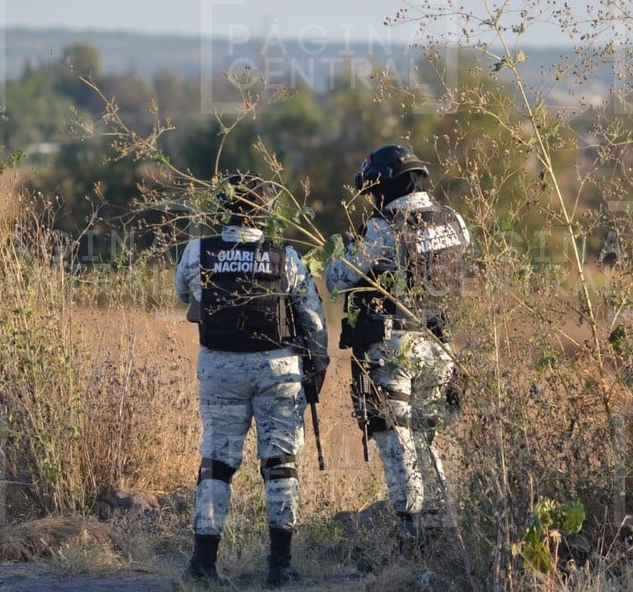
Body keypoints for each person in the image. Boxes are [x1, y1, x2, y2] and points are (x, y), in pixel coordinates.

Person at [175, 172, 329, 587]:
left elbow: (185, 298)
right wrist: (318, 368)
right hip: (278, 370)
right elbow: (313, 321)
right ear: (266, 211)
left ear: (221, 208)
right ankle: (280, 566)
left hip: (219, 368)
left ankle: (202, 565)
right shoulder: (286, 256)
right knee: (279, 464)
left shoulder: (196, 251)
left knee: (216, 463)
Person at [324, 144, 470, 543]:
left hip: (394, 347)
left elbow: (339, 277)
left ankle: (412, 534)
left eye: (373, 190)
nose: (371, 199)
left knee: (397, 438)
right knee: (427, 436)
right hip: (441, 348)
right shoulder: (454, 220)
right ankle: (444, 528)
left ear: (386, 184)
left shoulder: (385, 226)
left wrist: (341, 249)